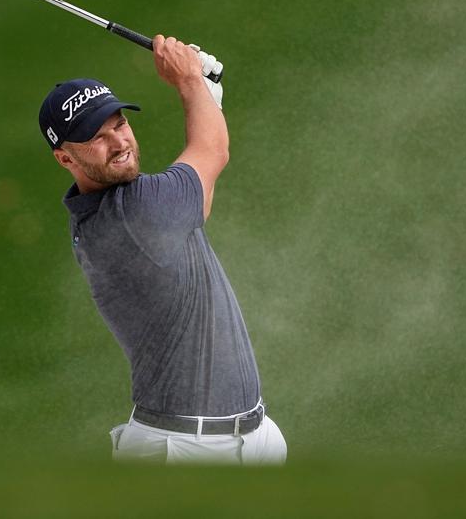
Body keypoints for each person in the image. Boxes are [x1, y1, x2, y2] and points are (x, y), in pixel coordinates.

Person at [38, 35, 287, 465]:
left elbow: (198, 198)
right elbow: (213, 151)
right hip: (186, 454)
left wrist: (209, 102)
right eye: (96, 138)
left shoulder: (135, 211)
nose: (119, 142)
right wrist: (190, 80)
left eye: (119, 124)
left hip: (247, 440)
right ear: (66, 159)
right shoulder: (136, 213)